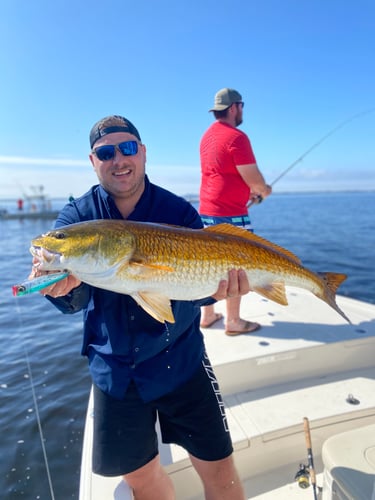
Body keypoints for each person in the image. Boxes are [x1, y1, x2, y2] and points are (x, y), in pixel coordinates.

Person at [29, 115, 250, 500]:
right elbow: (72, 300)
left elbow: (196, 289)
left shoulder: (179, 213)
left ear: (143, 153)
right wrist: (59, 287)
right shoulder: (78, 218)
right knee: (142, 479)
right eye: (106, 152)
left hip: (181, 360)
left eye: (128, 148)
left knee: (222, 472)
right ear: (93, 160)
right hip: (116, 373)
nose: (119, 159)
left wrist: (219, 291)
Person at [199, 88, 272, 336]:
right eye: (242, 106)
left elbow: (224, 176)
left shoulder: (207, 137)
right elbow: (254, 178)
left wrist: (247, 192)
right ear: (234, 107)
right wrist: (264, 190)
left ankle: (208, 315)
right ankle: (233, 321)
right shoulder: (237, 137)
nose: (242, 111)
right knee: (237, 268)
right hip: (231, 215)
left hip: (206, 212)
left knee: (206, 266)